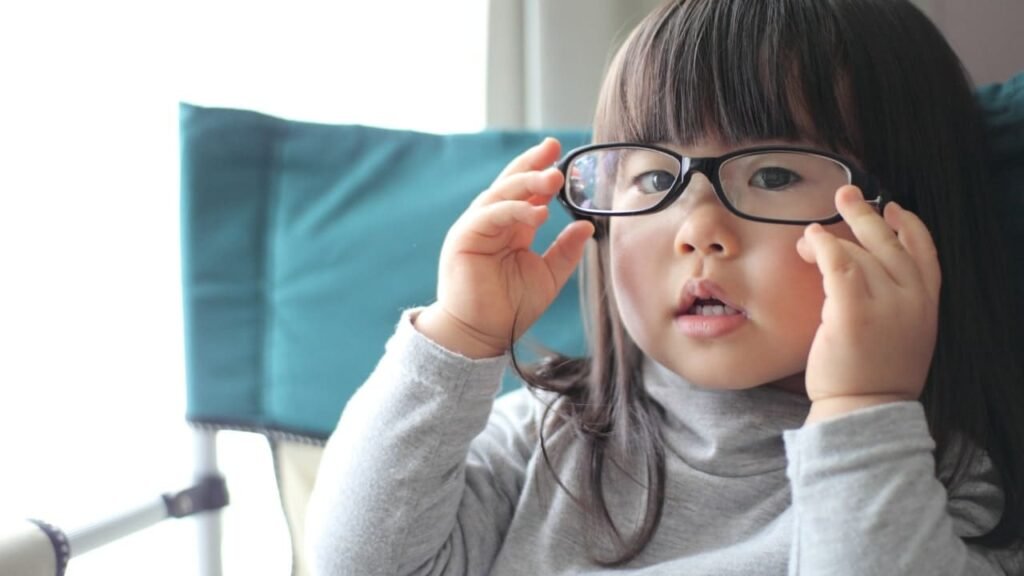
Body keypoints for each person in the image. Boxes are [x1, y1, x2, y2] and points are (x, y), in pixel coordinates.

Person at [306, 0, 1024, 573]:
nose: (697, 229)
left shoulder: (936, 474)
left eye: (773, 175)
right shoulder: (547, 435)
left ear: (906, 229)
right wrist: (456, 340)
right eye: (654, 178)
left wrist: (862, 414)